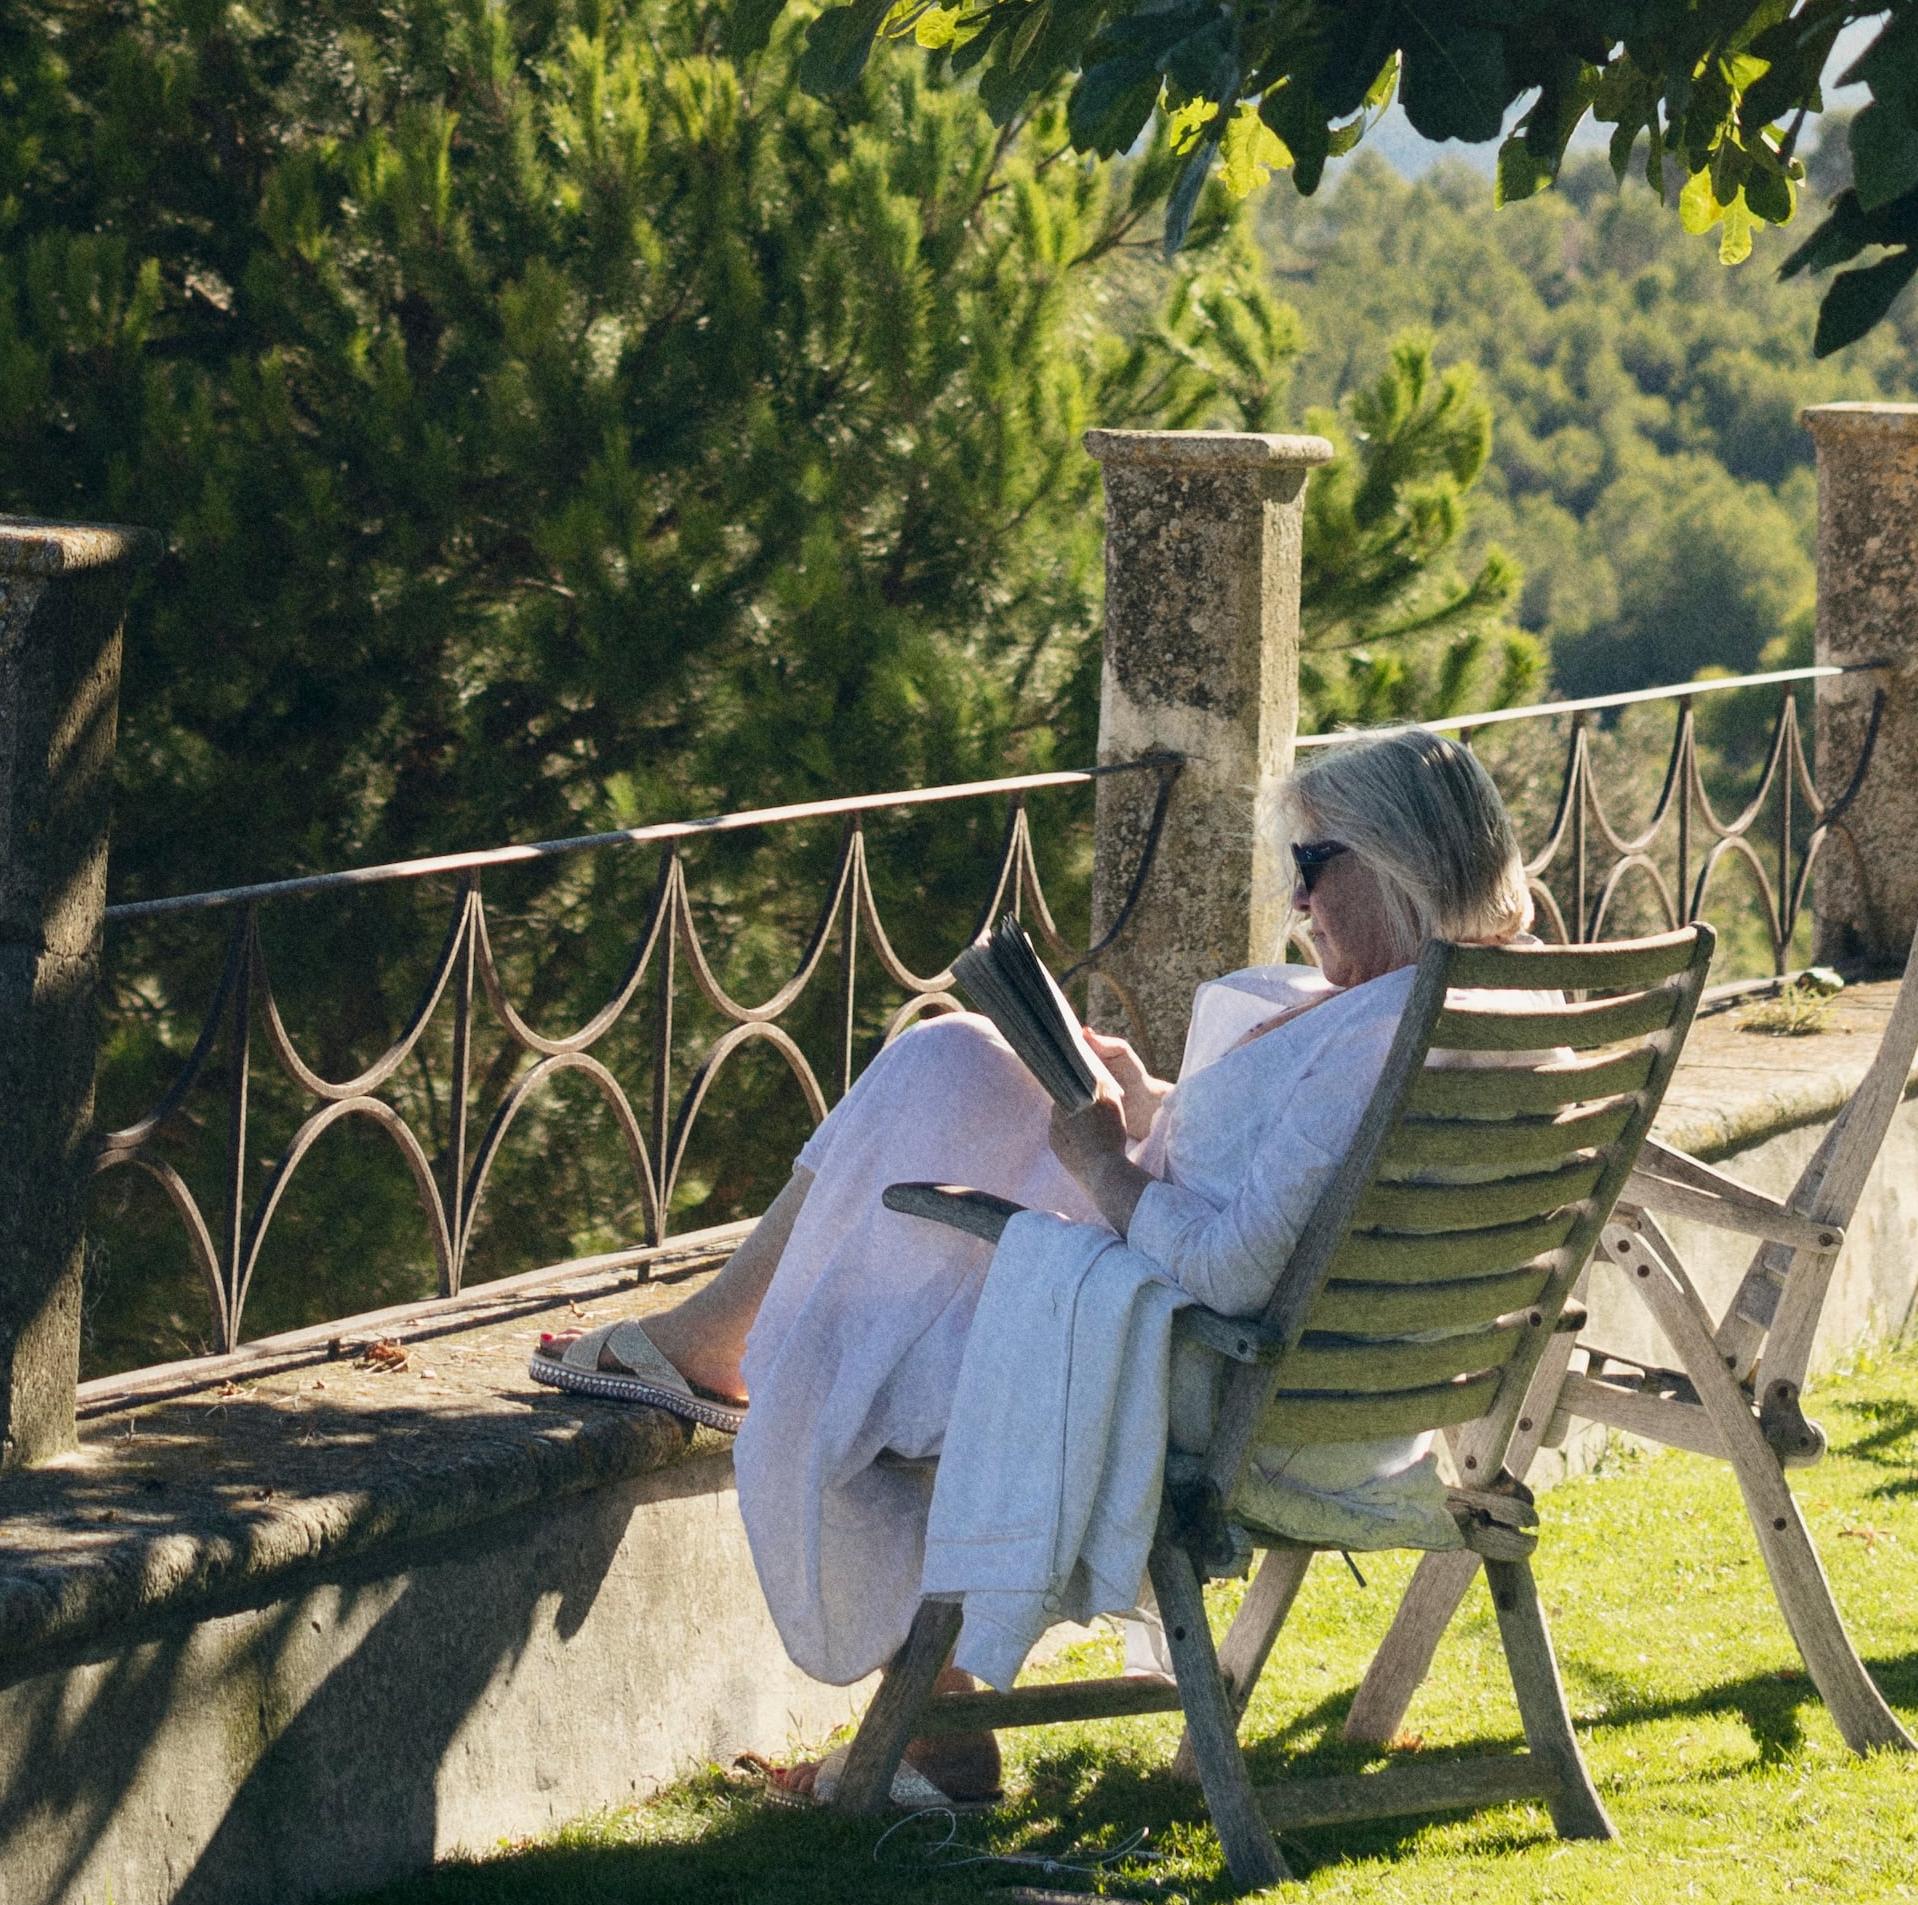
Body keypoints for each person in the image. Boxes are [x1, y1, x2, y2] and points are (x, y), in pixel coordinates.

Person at [533, 724, 1540, 1796]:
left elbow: (1231, 1275)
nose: (1296, 903)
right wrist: (1155, 1105)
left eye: (1309, 864)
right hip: (1341, 1392)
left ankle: (933, 1727)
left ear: (1390, 861)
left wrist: (1104, 1163)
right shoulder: (1503, 1012)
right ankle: (714, 1339)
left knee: (840, 1346)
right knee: (951, 1055)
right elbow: (1283, 1198)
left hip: (1199, 1388)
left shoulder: (1369, 1044)